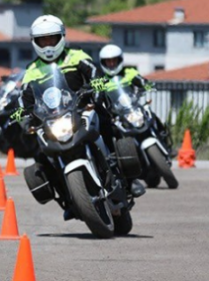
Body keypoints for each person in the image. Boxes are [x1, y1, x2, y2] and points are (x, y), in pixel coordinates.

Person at [9, 14, 145, 200]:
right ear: (35, 42)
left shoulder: (76, 56)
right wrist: (20, 117)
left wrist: (97, 88)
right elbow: (23, 100)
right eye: (43, 40)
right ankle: (62, 193)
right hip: (53, 119)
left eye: (52, 39)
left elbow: (95, 73)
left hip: (83, 110)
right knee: (38, 150)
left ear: (61, 37)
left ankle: (127, 180)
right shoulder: (32, 71)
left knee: (108, 125)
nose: (48, 45)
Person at [98, 44, 175, 157]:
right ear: (103, 63)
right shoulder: (101, 80)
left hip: (132, 108)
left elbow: (139, 79)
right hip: (115, 114)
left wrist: (145, 84)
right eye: (108, 61)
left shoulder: (129, 72)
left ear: (119, 60)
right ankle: (113, 156)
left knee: (150, 114)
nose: (111, 64)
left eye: (114, 61)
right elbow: (95, 93)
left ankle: (165, 142)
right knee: (106, 130)